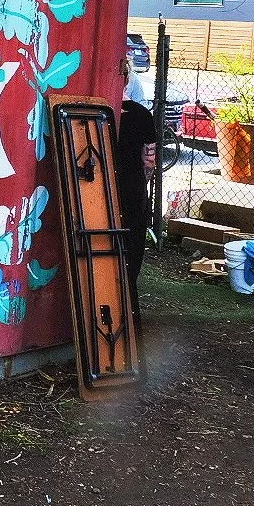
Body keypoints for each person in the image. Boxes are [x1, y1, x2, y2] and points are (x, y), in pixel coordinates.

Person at [115, 64, 159, 329]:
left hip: (97, 189)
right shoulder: (142, 115)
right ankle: (128, 313)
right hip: (132, 190)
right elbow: (149, 161)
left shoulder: (92, 112)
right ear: (128, 79)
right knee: (131, 252)